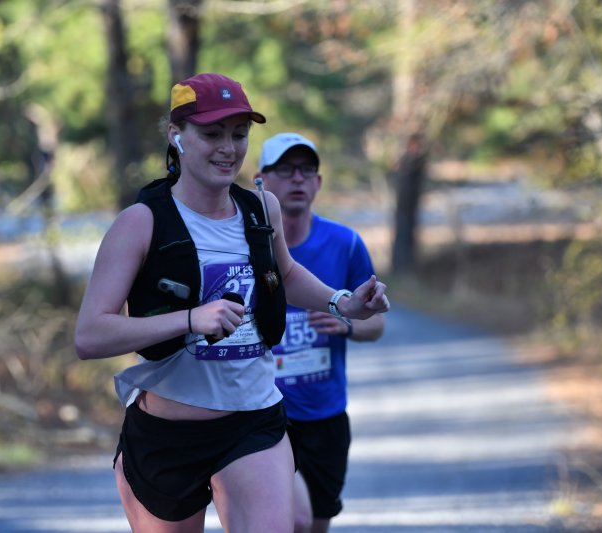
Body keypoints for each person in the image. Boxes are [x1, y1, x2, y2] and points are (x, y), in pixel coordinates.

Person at [74, 73, 390, 533]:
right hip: (169, 433)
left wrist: (343, 302)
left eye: (239, 135)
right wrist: (189, 319)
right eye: (212, 134)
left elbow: (285, 275)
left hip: (253, 422)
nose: (228, 148)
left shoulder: (262, 209)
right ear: (176, 135)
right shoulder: (141, 223)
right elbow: (90, 335)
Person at [256, 132, 385, 533]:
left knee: (313, 523)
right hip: (263, 414)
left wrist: (347, 325)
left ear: (318, 182)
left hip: (324, 415)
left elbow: (376, 324)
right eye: (285, 169)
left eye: (306, 170)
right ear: (262, 181)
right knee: (288, 520)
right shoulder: (247, 246)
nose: (297, 178)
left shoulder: (345, 244)